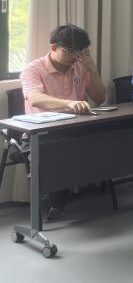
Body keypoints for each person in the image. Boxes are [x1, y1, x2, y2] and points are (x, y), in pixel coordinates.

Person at [20, 24, 107, 220]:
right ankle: (54, 203)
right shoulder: (33, 69)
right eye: (71, 51)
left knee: (110, 141)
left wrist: (92, 70)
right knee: (54, 155)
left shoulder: (81, 67)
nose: (76, 56)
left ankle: (84, 194)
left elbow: (100, 98)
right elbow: (35, 98)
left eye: (81, 51)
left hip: (76, 128)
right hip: (41, 133)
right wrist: (69, 103)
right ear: (54, 48)